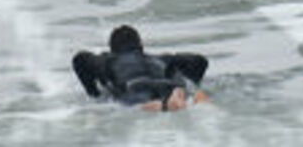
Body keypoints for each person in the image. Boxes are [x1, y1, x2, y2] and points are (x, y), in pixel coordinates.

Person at [71, 25, 211, 112]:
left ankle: (165, 105)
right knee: (182, 94)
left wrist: (94, 94)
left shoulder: (108, 60)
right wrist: (193, 82)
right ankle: (193, 96)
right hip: (169, 85)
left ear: (112, 49)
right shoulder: (162, 59)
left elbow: (79, 59)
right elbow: (199, 61)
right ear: (141, 44)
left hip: (136, 87)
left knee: (142, 105)